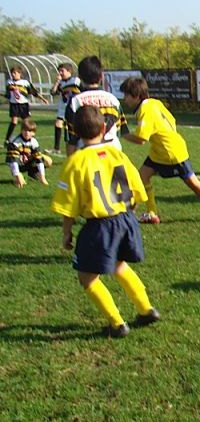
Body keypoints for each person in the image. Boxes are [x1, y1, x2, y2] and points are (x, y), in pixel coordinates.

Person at [50, 106, 160, 338]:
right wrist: (130, 212)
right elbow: (136, 188)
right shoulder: (117, 154)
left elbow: (68, 204)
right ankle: (146, 309)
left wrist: (66, 232)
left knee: (87, 277)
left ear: (74, 132)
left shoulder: (75, 162)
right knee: (119, 265)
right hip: (125, 219)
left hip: (100, 225)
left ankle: (116, 324)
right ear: (104, 128)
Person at [119, 77, 200, 223]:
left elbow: (141, 139)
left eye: (126, 95)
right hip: (161, 150)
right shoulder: (154, 102)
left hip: (170, 152)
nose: (125, 99)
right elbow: (172, 120)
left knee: (192, 182)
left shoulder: (145, 109)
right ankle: (152, 213)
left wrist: (124, 135)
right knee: (142, 176)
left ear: (137, 96)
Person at [64, 56, 128, 156]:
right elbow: (119, 130)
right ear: (101, 76)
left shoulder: (75, 101)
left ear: (79, 77)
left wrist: (71, 162)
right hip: (113, 154)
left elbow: (72, 137)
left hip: (87, 155)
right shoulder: (113, 99)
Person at [4, 66, 49, 146]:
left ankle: (28, 139)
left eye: (15, 73)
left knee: (26, 123)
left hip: (23, 105)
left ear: (20, 74)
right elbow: (7, 94)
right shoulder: (9, 82)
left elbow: (34, 92)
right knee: (14, 121)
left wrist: (43, 99)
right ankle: (7, 139)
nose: (13, 75)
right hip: (14, 104)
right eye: (12, 73)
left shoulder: (25, 82)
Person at [46, 63, 81, 155]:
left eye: (62, 71)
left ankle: (78, 147)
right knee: (58, 123)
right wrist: (57, 82)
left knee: (74, 129)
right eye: (59, 71)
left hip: (73, 108)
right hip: (63, 108)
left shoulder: (75, 80)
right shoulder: (60, 83)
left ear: (69, 71)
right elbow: (53, 92)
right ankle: (56, 148)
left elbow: (81, 91)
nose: (60, 73)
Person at [5, 118, 51, 188]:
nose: (27, 133)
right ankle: (20, 175)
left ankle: (33, 173)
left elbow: (39, 160)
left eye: (30, 131)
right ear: (21, 130)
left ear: (34, 133)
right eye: (25, 130)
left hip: (28, 162)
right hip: (18, 165)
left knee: (48, 161)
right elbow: (12, 161)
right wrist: (17, 175)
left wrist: (43, 177)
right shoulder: (15, 142)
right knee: (21, 183)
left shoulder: (34, 142)